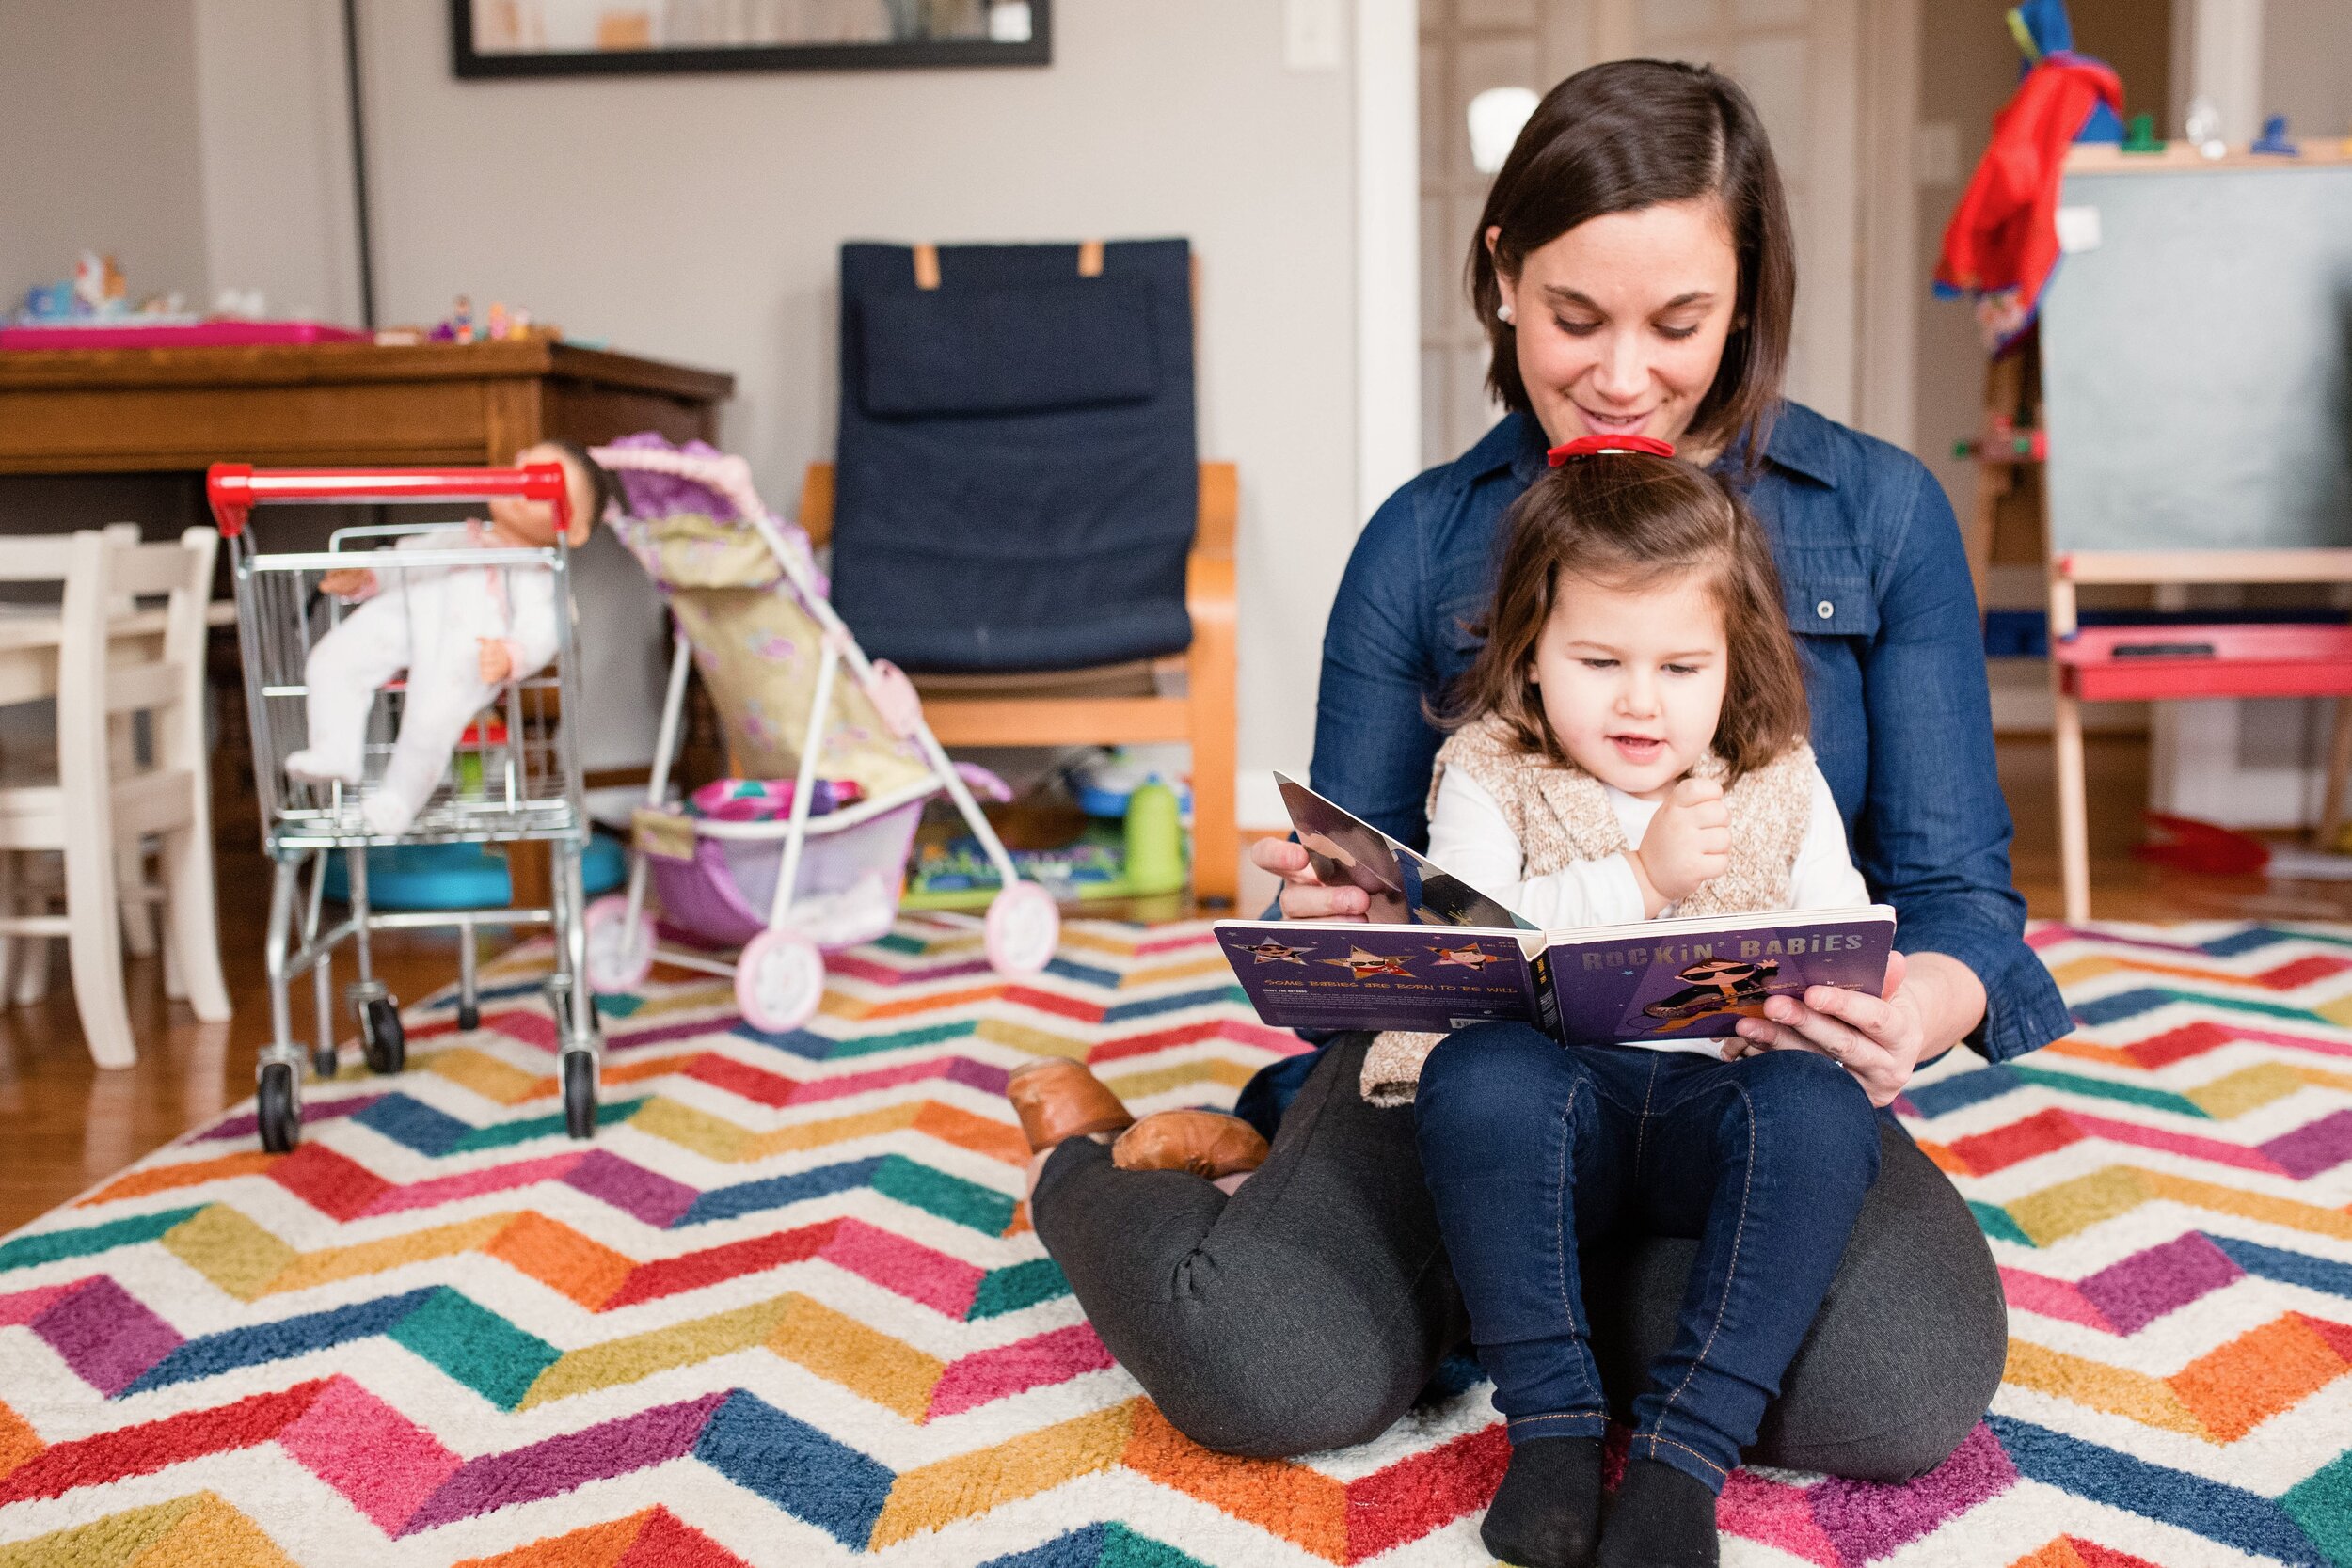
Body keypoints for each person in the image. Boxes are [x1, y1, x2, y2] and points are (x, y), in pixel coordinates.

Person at [1007, 55, 2070, 1504]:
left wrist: (1911, 1011)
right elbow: (1368, 928)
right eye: (1576, 317)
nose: (1623, 376)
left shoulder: (1881, 517)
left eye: (1679, 322)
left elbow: (1961, 897)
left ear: (1749, 294)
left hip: (1740, 1099)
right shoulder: (1420, 542)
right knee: (1270, 1365)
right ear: (1503, 275)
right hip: (1467, 1091)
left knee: (1892, 1387)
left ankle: (1490, 1306)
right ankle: (1094, 1160)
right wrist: (1340, 920)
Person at [1394, 440, 1874, 1568]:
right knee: (1474, 1077)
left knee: (1817, 1111)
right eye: (1599, 659)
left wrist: (1839, 1012)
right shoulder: (1487, 765)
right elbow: (1477, 943)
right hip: (1562, 1120)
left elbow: (1847, 935)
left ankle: (1683, 1455)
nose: (1640, 702)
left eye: (1680, 667)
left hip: (1720, 1111)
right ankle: (1553, 1429)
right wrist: (1641, 880)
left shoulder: (1780, 775)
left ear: (1732, 663)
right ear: (1529, 655)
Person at [286, 440, 615, 834]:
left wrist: (512, 656)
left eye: (538, 484)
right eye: (519, 468)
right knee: (333, 657)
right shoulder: (461, 537)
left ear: (573, 529)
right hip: (407, 615)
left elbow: (547, 629)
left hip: (464, 654)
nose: (519, 482)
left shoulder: (538, 576)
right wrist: (369, 576)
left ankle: (398, 800)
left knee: (432, 719)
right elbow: (406, 558)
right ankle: (333, 747)